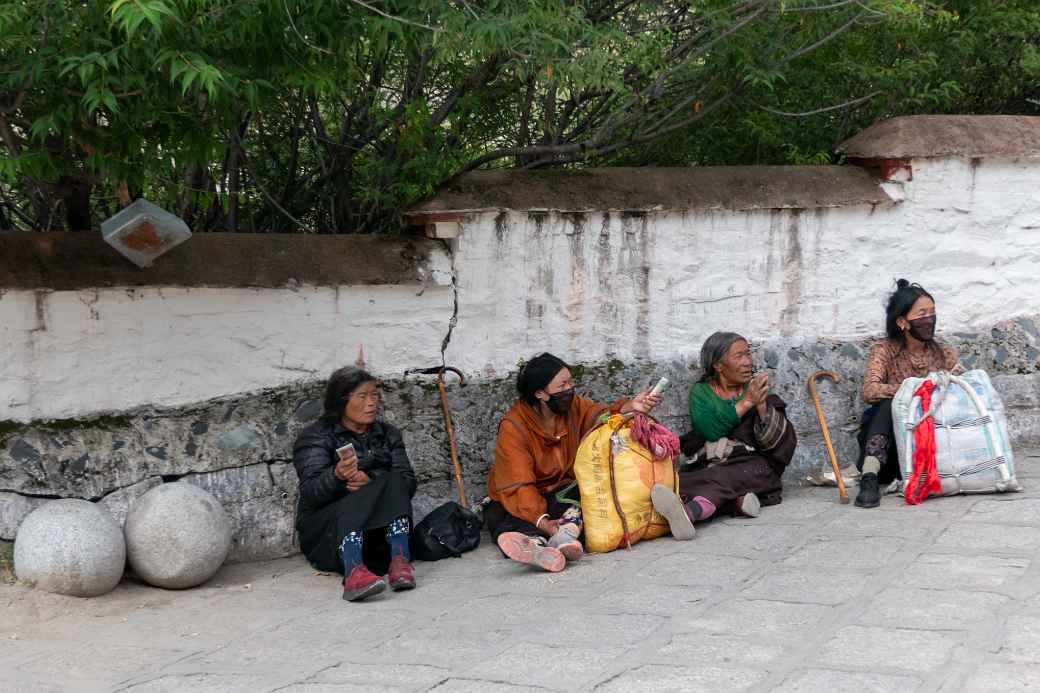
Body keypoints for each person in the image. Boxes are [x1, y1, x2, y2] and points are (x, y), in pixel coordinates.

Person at [485, 353, 662, 572]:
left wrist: (631, 406)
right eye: (563, 385)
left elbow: (600, 416)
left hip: (562, 491)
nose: (570, 389)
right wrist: (545, 523)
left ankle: (563, 538)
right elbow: (519, 485)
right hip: (523, 497)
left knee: (589, 499)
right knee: (511, 519)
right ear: (540, 393)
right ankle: (537, 545)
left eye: (570, 382)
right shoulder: (514, 427)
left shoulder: (574, 406)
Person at [650, 332, 796, 539]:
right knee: (698, 477)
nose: (748, 362)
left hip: (753, 465)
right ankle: (738, 503)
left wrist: (761, 405)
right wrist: (747, 403)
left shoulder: (756, 390)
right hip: (712, 463)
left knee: (721, 477)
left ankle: (689, 513)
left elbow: (776, 445)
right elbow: (710, 430)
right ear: (718, 365)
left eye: (748, 354)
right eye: (739, 356)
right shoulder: (701, 393)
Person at [292, 367, 418, 602]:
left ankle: (399, 559)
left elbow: (408, 484)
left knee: (394, 479)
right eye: (362, 396)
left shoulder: (387, 434)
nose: (371, 403)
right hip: (329, 537)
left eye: (374, 395)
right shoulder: (316, 437)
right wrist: (337, 476)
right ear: (341, 401)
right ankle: (354, 570)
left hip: (378, 537)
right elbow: (310, 494)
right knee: (354, 496)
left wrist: (371, 482)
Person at [854, 279, 961, 508]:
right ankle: (869, 477)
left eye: (932, 313)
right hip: (890, 452)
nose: (929, 319)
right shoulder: (884, 350)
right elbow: (870, 390)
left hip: (931, 446)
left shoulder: (944, 353)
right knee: (888, 404)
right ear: (902, 322)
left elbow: (961, 390)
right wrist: (915, 388)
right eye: (922, 313)